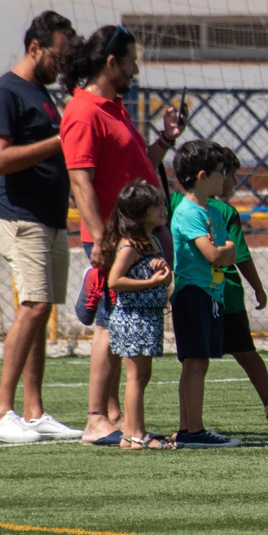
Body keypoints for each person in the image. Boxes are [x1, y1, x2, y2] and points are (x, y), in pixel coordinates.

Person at [59, 24, 184, 446]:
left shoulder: (114, 109)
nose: (135, 71)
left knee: (122, 327)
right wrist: (101, 241)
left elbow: (139, 168)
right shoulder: (84, 111)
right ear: (111, 62)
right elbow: (81, 182)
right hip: (117, 241)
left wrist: (165, 140)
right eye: (131, 62)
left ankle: (114, 416)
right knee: (110, 328)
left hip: (137, 237)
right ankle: (97, 419)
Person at [0, 11, 82, 444]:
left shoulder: (41, 93)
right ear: (35, 48)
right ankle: (1, 412)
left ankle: (34, 410)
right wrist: (60, 140)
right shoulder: (6, 91)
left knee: (42, 309)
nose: (61, 65)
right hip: (21, 217)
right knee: (35, 306)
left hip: (50, 216)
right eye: (57, 56)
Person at [213, 146, 268, 438]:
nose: (234, 183)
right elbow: (240, 256)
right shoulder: (225, 211)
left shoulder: (178, 205)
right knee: (247, 353)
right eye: (232, 176)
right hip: (227, 292)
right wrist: (258, 288)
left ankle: (189, 422)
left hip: (193, 292)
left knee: (194, 362)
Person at [169, 140, 240, 448]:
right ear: (202, 176)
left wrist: (226, 252)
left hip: (212, 293)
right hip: (193, 293)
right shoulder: (189, 213)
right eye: (221, 172)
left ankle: (189, 428)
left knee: (199, 363)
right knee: (195, 363)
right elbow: (214, 254)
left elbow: (228, 253)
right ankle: (193, 431)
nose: (225, 177)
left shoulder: (213, 211)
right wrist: (226, 251)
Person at [99, 181, 176, 450]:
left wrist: (160, 266)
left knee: (141, 376)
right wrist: (151, 283)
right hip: (133, 318)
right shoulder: (130, 244)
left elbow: (152, 273)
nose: (162, 208)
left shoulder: (150, 241)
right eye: (156, 205)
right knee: (137, 377)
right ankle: (135, 434)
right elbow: (115, 281)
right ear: (140, 213)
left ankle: (130, 433)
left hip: (147, 317)